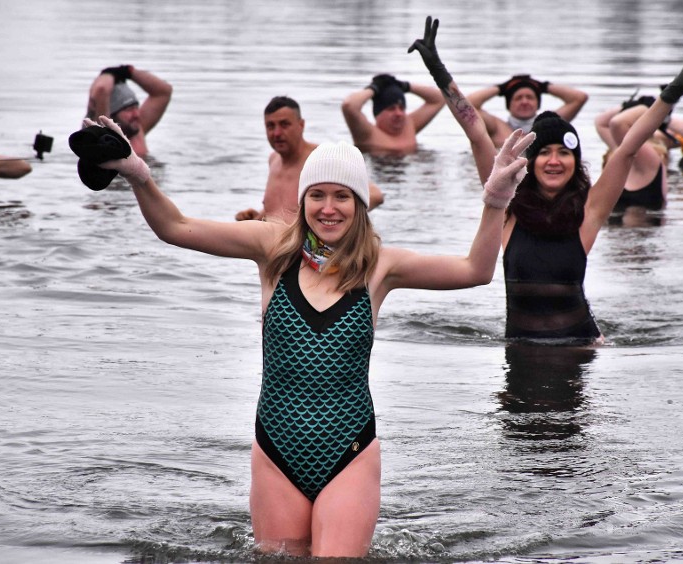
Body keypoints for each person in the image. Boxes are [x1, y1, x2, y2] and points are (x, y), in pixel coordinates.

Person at [75, 102, 532, 555]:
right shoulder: (272, 248)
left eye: (342, 197)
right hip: (277, 448)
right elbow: (175, 227)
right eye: (318, 195)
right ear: (303, 199)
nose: (328, 209)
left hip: (348, 451)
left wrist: (495, 203)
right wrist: (138, 175)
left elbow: (476, 270)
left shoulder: (381, 266)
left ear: (359, 203)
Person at [412, 17, 683, 344]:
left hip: (579, 352)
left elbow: (628, 149)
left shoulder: (589, 212)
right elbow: (478, 136)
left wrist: (673, 92)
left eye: (564, 153)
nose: (554, 161)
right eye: (545, 153)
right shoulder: (506, 206)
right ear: (530, 160)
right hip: (520, 353)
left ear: (575, 162)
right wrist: (439, 72)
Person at [235, 96, 384, 222]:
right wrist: (258, 217)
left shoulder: (321, 159)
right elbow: (284, 210)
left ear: (301, 125)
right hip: (275, 251)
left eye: (284, 124)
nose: (277, 133)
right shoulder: (273, 160)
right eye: (270, 126)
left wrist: (333, 219)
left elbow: (376, 195)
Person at [467, 73, 588, 147]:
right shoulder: (496, 127)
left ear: (538, 103)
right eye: (518, 98)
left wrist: (544, 86)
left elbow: (579, 98)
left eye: (530, 97)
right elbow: (467, 104)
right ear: (509, 104)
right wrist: (501, 88)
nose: (524, 102)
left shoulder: (550, 124)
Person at [595, 96, 670, 212]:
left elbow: (617, 123)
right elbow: (600, 122)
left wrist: (647, 107)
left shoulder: (649, 156)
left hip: (641, 229)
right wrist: (629, 104)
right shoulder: (621, 150)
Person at [341, 73, 445, 155]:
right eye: (391, 109)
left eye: (402, 108)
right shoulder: (367, 135)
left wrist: (406, 86)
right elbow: (349, 105)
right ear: (378, 114)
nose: (398, 113)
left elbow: (440, 98)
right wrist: (373, 88)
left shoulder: (409, 125)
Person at [85, 64, 172, 157]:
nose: (136, 115)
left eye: (136, 107)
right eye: (128, 110)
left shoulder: (137, 128)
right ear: (111, 114)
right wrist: (107, 74)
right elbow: (102, 88)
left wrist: (128, 71)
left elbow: (164, 91)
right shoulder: (102, 135)